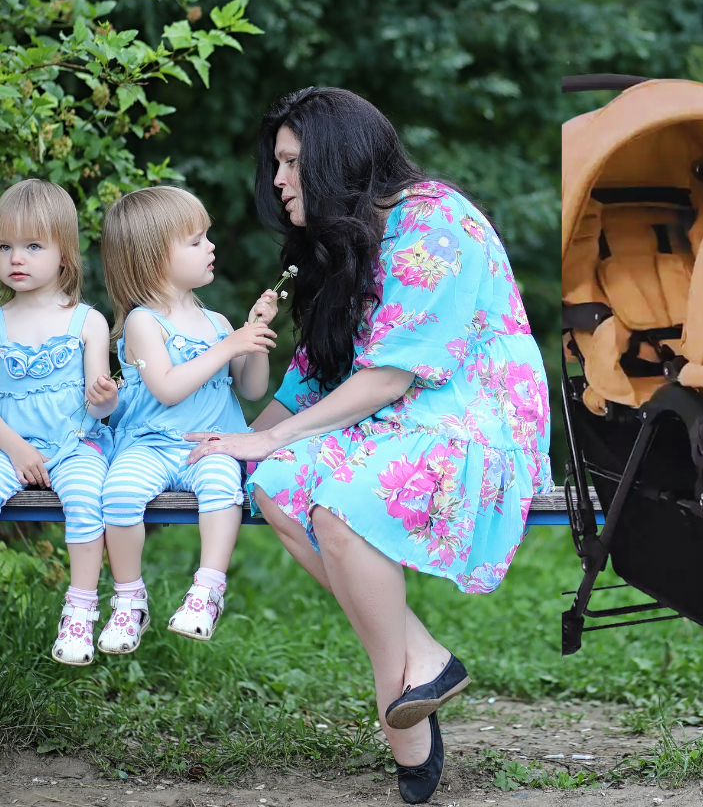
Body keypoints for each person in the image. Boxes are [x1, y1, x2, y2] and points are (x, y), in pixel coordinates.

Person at [185, 87, 552, 804]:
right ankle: (422, 660)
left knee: (341, 507)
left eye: (292, 162)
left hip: (476, 418)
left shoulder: (433, 219)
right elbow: (310, 378)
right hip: (391, 419)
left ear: (336, 157)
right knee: (273, 484)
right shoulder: (345, 238)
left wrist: (273, 434)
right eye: (277, 164)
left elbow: (388, 376)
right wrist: (238, 446)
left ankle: (396, 704)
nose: (279, 179)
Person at [97, 187, 278, 654]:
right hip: (151, 444)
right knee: (119, 492)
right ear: (155, 258)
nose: (210, 247)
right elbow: (167, 387)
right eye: (196, 241)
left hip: (212, 445)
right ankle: (128, 599)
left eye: (207, 237)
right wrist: (229, 346)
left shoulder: (217, 323)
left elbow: (252, 389)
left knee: (222, 485)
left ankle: (207, 591)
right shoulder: (143, 322)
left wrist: (253, 337)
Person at [0, 179, 119, 666]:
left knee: (87, 495)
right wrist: (16, 449)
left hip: (75, 445)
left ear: (64, 254)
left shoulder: (87, 321)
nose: (16, 258)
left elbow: (98, 408)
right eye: (4, 246)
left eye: (32, 246)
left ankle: (80, 610)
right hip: (9, 445)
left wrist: (105, 399)